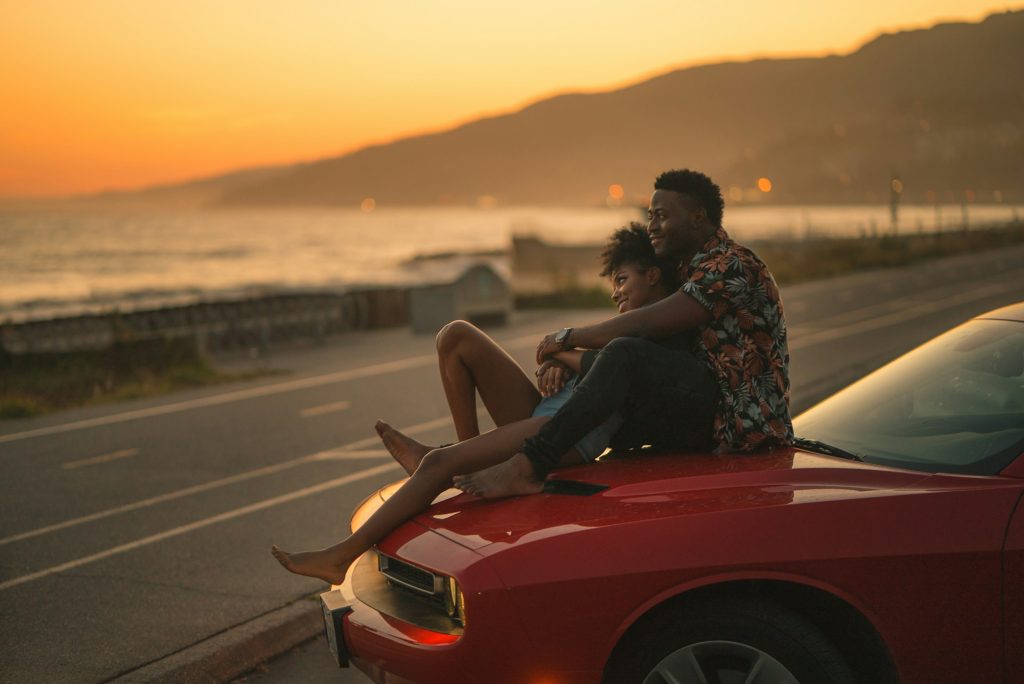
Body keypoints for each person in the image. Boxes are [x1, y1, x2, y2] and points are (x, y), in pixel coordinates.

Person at [272, 223, 681, 584]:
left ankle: (341, 556)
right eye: (613, 284)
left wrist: (562, 352)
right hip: (545, 414)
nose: (615, 293)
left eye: (622, 280)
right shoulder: (625, 326)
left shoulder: (659, 333)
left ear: (653, 274)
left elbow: (607, 367)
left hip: (567, 436)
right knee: (455, 335)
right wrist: (559, 358)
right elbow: (582, 359)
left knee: (435, 465)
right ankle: (465, 454)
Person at [454, 168, 793, 499]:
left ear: (697, 216)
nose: (652, 227)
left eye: (661, 216)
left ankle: (527, 465)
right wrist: (568, 362)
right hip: (705, 415)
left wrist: (569, 338)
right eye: (650, 216)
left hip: (744, 427)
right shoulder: (687, 268)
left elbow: (647, 324)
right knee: (610, 385)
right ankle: (474, 458)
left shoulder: (732, 264)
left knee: (623, 354)